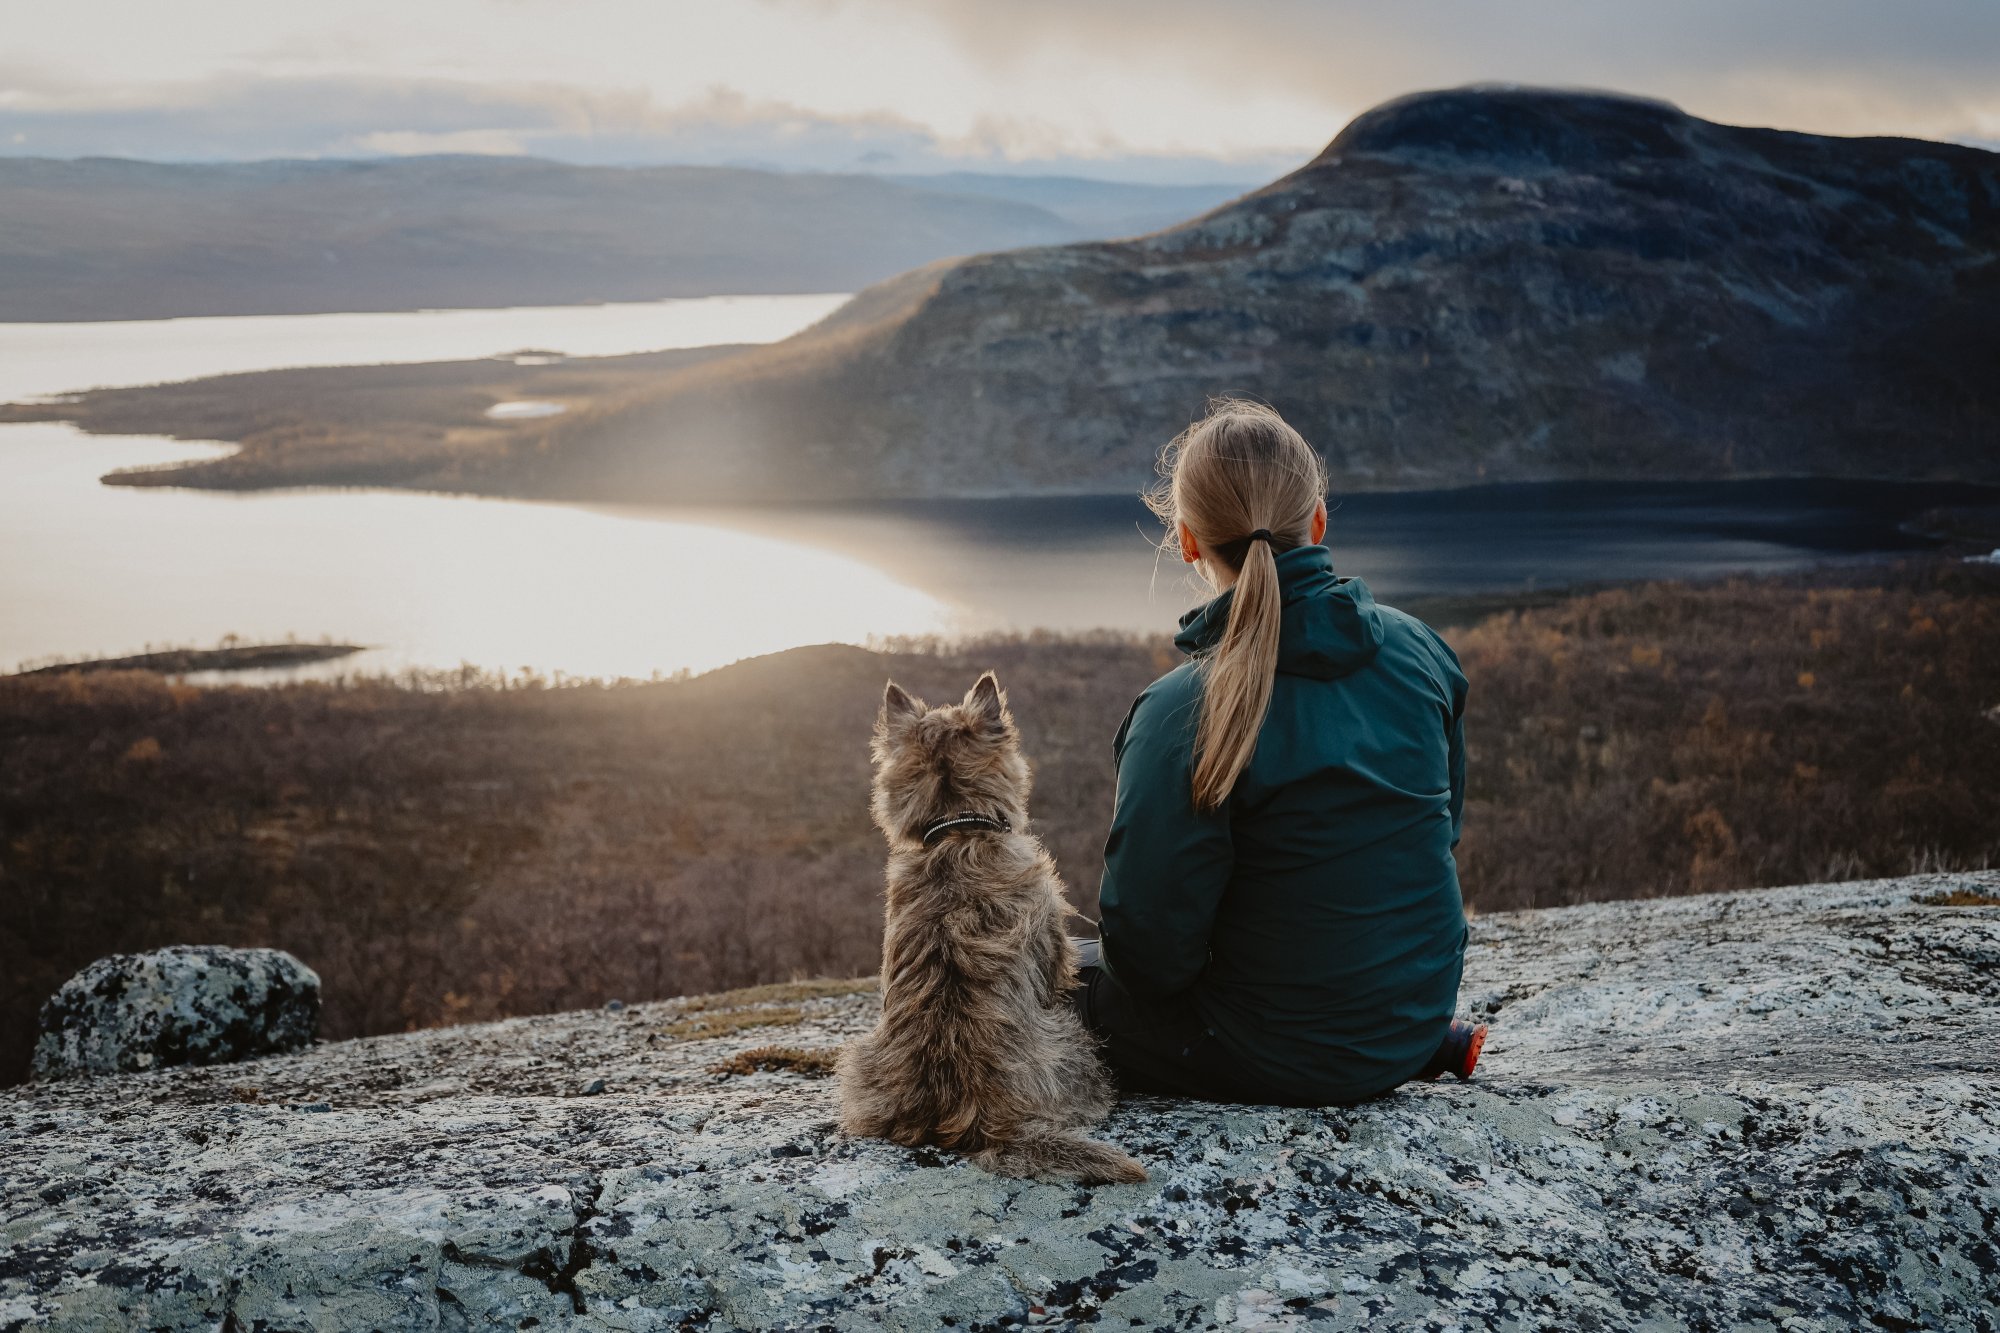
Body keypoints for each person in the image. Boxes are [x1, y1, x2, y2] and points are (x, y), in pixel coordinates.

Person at [1069, 398, 1484, 1106]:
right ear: (1318, 521)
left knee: (1051, 978)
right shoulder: (1420, 651)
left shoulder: (1178, 711)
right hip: (1408, 1016)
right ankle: (1422, 1045)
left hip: (1269, 1052)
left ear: (1189, 540)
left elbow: (1149, 960)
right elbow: (1437, 835)